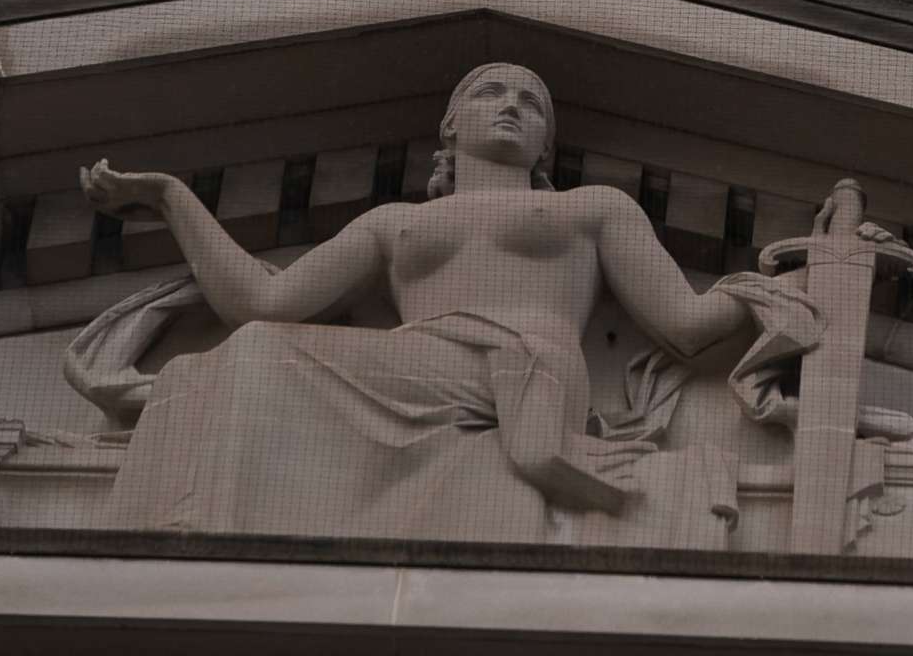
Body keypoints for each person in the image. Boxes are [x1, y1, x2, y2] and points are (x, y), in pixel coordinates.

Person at [80, 61, 763, 532]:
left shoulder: (592, 209)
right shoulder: (395, 223)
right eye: (491, 94)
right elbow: (262, 302)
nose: (511, 108)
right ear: (450, 127)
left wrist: (786, 288)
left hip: (523, 369)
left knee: (258, 355)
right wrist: (174, 199)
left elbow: (687, 322)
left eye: (530, 106)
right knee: (236, 356)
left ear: (545, 145)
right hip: (418, 369)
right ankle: (200, 530)